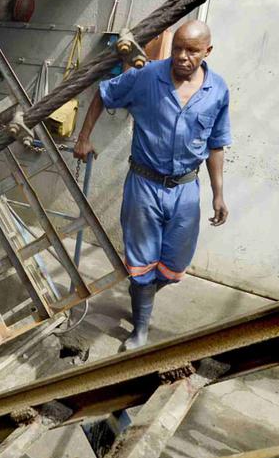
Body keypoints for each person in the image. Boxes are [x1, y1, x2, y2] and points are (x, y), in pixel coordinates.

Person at [73, 20, 231, 351]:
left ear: (208, 51)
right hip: (144, 185)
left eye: (192, 50)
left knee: (173, 265)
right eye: (178, 48)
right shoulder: (147, 76)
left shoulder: (217, 91)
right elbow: (104, 94)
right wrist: (84, 137)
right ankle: (140, 328)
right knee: (142, 262)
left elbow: (216, 144)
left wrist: (218, 193)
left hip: (186, 189)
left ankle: (141, 295)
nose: (182, 57)